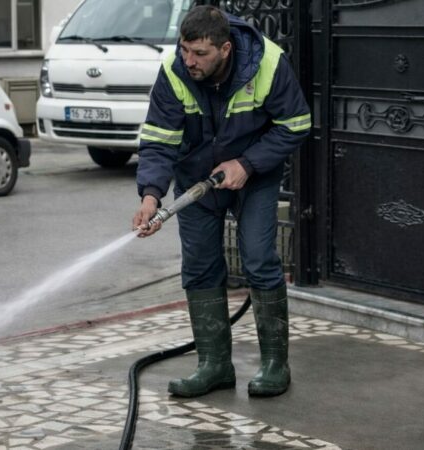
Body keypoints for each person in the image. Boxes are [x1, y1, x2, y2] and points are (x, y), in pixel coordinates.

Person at [132, 5, 310, 398]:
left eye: (200, 54)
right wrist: (150, 195)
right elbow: (159, 139)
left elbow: (296, 125)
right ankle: (214, 365)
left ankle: (275, 365)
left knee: (260, 258)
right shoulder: (174, 71)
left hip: (254, 177)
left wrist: (247, 163)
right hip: (196, 177)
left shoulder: (268, 63)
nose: (189, 60)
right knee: (199, 266)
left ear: (225, 49)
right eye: (184, 50)